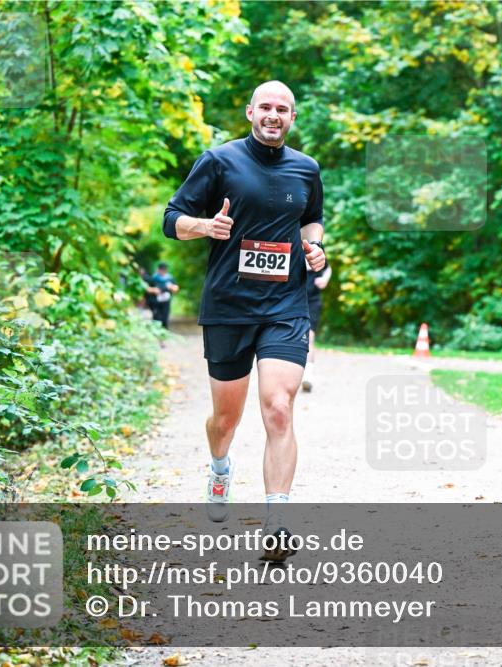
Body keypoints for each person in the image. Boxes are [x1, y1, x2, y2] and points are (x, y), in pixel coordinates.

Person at [162, 80, 325, 560]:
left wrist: (315, 248)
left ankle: (276, 524)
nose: (274, 115)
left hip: (285, 306)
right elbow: (171, 218)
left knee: (278, 406)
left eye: (284, 109)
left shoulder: (306, 169)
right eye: (267, 107)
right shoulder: (219, 161)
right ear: (251, 111)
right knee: (226, 419)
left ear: (292, 118)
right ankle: (218, 468)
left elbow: (311, 221)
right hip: (229, 307)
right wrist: (205, 226)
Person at [301, 261, 331, 392]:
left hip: (312, 301)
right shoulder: (287, 245)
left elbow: (328, 268)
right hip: (291, 300)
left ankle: (308, 375)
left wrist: (325, 279)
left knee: (309, 336)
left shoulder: (315, 246)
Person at [148, 262, 179, 329]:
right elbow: (147, 289)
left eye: (164, 269)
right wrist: (154, 290)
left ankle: (165, 331)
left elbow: (176, 287)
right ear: (158, 269)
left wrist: (172, 287)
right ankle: (156, 331)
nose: (163, 271)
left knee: (165, 317)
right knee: (157, 317)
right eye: (161, 269)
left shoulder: (169, 278)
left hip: (166, 301)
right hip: (156, 301)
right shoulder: (154, 278)